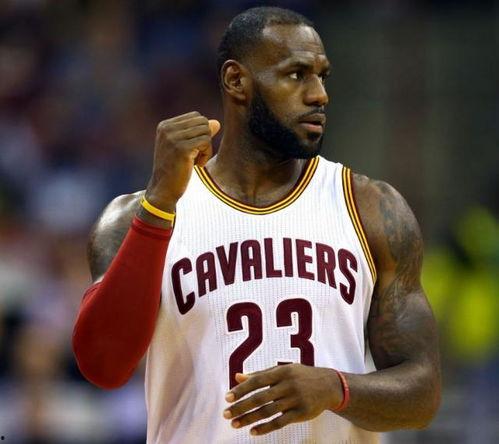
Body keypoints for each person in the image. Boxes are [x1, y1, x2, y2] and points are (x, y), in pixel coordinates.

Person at [72, 6, 441, 444]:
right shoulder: (135, 217)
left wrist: (335, 388)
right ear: (236, 81)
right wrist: (159, 205)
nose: (319, 95)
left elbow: (423, 393)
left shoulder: (370, 208)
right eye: (296, 75)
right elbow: (103, 365)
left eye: (322, 76)